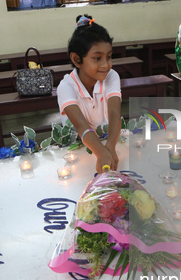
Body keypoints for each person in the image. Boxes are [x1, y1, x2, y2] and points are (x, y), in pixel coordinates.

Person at [57, 15, 121, 174]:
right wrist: (101, 152)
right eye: (97, 58)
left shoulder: (111, 76)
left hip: (108, 140)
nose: (105, 65)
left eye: (109, 56)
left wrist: (110, 147)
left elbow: (114, 113)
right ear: (77, 59)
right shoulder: (66, 87)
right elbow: (81, 126)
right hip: (77, 147)